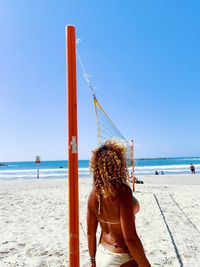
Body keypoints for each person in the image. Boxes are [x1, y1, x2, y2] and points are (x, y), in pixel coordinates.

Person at [87, 140, 151, 267]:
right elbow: (130, 238)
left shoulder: (93, 195)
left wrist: (93, 260)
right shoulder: (123, 192)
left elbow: (90, 233)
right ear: (119, 164)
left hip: (101, 253)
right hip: (120, 256)